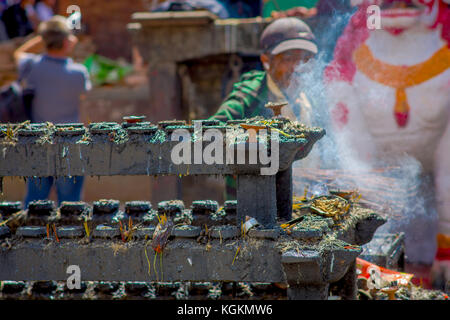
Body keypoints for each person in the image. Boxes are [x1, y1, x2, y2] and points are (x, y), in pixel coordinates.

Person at [210, 17, 318, 200]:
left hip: (304, 199)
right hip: (254, 205)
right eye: (288, 58)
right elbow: (212, 132)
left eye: (305, 59)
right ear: (266, 60)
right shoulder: (250, 95)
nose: (297, 67)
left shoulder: (311, 97)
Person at [13, 15, 92, 207]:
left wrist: (45, 36)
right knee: (70, 207)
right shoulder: (79, 73)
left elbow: (19, 53)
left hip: (38, 142)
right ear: (67, 42)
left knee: (34, 205)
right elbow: (85, 101)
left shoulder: (30, 66)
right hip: (70, 144)